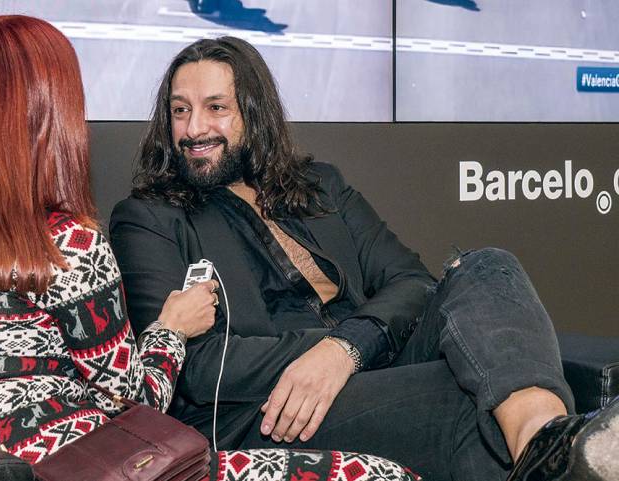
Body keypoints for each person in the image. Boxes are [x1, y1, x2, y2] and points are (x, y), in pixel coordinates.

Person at [0, 16, 422, 481]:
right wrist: (171, 327)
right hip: (105, 466)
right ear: (49, 117)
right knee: (383, 474)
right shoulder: (66, 247)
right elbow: (138, 404)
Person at [109, 36, 619, 481]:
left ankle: (545, 443)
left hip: (369, 359)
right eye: (180, 110)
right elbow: (192, 366)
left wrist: (346, 349)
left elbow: (412, 282)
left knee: (488, 265)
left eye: (216, 108)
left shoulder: (319, 186)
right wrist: (324, 354)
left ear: (253, 112)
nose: (194, 128)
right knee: (468, 396)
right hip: (267, 410)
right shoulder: (148, 217)